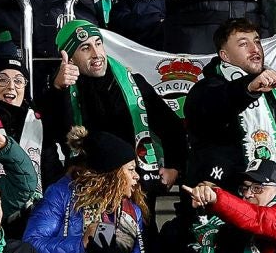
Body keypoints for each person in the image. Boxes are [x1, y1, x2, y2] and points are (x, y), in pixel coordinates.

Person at [37, 21, 187, 186]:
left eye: (98, 44)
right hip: (86, 186)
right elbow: (46, 136)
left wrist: (174, 167)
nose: (96, 54)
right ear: (70, 58)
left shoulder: (133, 83)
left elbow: (171, 126)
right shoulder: (58, 89)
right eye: (85, 48)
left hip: (135, 186)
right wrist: (58, 89)